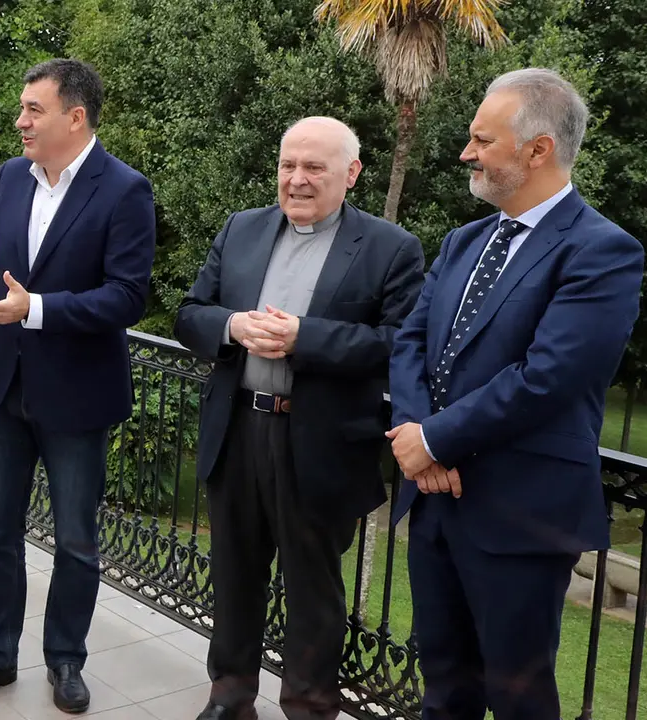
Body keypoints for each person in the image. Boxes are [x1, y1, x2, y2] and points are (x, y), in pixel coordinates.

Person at [388, 68, 643, 720]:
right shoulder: (464, 241)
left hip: (521, 519)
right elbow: (410, 344)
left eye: (481, 138)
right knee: (443, 689)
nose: (466, 152)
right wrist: (420, 437)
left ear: (538, 150)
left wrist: (436, 438)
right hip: (436, 507)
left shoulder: (602, 251)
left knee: (519, 698)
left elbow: (549, 376)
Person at [174, 117, 425, 720]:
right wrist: (233, 327)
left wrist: (304, 339)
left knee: (313, 588)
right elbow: (190, 314)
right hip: (237, 431)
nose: (298, 179)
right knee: (235, 575)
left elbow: (398, 342)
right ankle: (229, 698)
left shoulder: (391, 247)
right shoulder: (243, 229)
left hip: (320, 444)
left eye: (315, 167)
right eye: (289, 165)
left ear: (352, 173)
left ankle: (310, 706)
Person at [0, 58, 156, 713]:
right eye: (23, 108)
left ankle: (66, 661)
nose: (21, 120)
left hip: (80, 396)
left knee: (76, 541)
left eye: (34, 109)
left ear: (75, 117)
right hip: (6, 387)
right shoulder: (11, 177)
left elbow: (127, 297)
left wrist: (38, 309)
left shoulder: (124, 190)